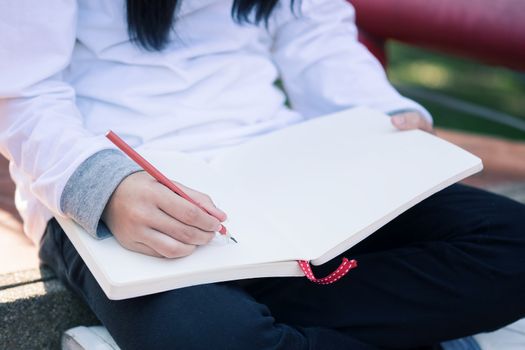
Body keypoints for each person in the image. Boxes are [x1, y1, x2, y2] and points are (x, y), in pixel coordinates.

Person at [1, 0, 524, 349]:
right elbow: (23, 94)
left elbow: (317, 37)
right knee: (208, 335)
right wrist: (108, 187)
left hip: (285, 154)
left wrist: (382, 113)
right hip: (127, 181)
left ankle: (268, 302)